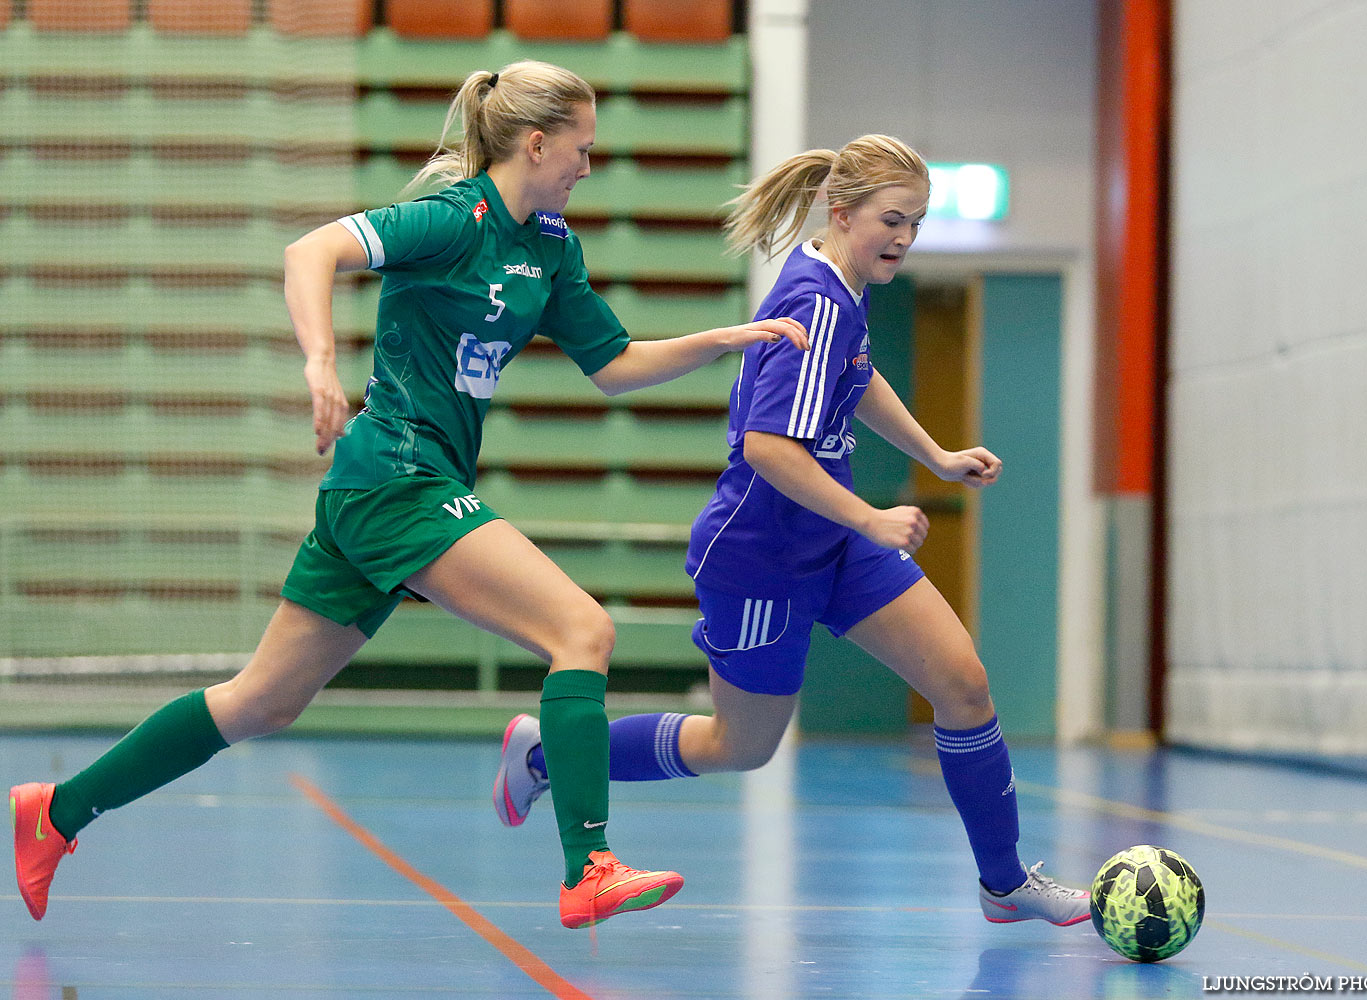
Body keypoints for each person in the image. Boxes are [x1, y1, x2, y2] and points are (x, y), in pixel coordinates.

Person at [9, 60, 808, 930]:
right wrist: (320, 361)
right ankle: (591, 865)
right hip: (396, 474)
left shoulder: (549, 246)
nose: (588, 166)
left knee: (261, 701)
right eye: (582, 149)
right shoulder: (447, 219)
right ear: (536, 144)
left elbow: (613, 365)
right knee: (582, 629)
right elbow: (309, 250)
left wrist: (723, 338)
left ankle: (56, 812)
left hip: (385, 492)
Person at [493, 134, 1090, 926]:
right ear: (841, 213)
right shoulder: (814, 296)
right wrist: (872, 516)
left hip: (834, 544)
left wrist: (936, 455)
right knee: (738, 747)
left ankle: (1005, 883)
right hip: (762, 558)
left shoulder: (845, 287)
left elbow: (859, 375)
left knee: (962, 684)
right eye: (892, 219)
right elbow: (769, 449)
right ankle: (546, 755)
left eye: (916, 222)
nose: (905, 238)